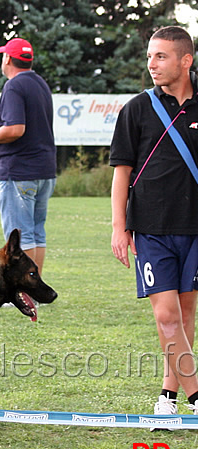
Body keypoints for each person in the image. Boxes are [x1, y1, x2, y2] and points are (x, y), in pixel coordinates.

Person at [110, 25, 198, 423]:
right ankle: (197, 397)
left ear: (185, 60)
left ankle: (169, 394)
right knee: (166, 316)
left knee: (185, 314)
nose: (152, 64)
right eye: (149, 56)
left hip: (194, 228)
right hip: (150, 228)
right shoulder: (137, 108)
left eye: (160, 56)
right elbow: (121, 171)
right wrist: (118, 225)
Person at [0, 38, 56, 276]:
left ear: (7, 58)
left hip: (18, 172)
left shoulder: (14, 86)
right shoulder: (40, 83)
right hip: (43, 170)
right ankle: (36, 289)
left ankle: (24, 291)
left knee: (21, 236)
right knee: (36, 232)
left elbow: (16, 129)